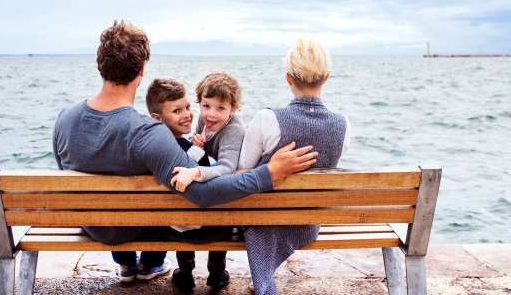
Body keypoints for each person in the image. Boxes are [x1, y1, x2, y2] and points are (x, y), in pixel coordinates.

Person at [52, 20, 319, 284]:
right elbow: (201, 195)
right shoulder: (149, 133)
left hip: (90, 224)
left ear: (100, 63)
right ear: (143, 68)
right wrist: (269, 173)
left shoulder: (65, 118)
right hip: (132, 226)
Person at [237, 38, 350, 295]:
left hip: (262, 220)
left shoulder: (267, 119)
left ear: (288, 78)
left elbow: (242, 171)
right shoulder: (344, 125)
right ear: (326, 77)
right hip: (307, 223)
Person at [146, 74, 245, 290]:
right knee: (219, 205)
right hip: (212, 227)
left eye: (221, 108)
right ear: (201, 101)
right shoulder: (202, 120)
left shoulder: (234, 131)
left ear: (234, 109)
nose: (210, 114)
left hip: (176, 227)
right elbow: (196, 156)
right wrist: (196, 146)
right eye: (206, 105)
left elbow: (225, 167)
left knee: (183, 204)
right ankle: (216, 273)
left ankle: (188, 271)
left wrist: (194, 168)